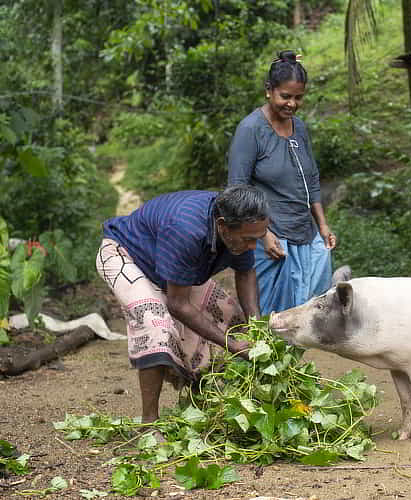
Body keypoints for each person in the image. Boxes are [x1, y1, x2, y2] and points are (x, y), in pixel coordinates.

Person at [96, 185, 269, 431]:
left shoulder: (240, 227)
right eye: (249, 239)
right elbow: (178, 305)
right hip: (126, 257)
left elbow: (245, 271)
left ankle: (204, 401)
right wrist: (230, 345)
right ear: (222, 226)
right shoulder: (185, 229)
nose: (253, 246)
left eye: (258, 239)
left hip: (170, 269)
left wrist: (255, 323)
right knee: (155, 324)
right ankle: (149, 424)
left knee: (229, 314)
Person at [227, 49, 337, 315]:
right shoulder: (251, 130)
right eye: (285, 96)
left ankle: (290, 358)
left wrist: (322, 225)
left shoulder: (299, 127)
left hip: (305, 232)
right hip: (272, 239)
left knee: (303, 317)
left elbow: (311, 177)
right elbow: (236, 190)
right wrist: (264, 235)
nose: (292, 104)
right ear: (269, 90)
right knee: (270, 316)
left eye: (299, 97)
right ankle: (257, 356)